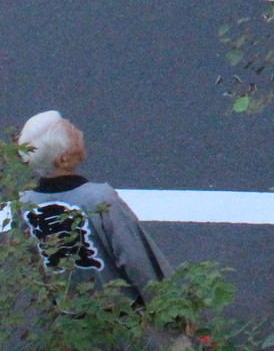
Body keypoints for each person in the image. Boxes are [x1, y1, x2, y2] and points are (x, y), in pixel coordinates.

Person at [16, 111, 171, 304]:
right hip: (119, 314)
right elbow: (137, 260)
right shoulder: (99, 198)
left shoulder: (25, 204)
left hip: (67, 314)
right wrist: (165, 305)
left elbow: (36, 266)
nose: (79, 132)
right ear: (62, 159)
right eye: (72, 133)